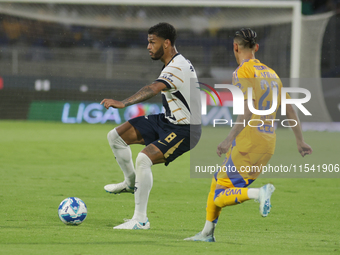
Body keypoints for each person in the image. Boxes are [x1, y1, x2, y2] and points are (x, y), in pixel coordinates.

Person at [184, 28, 313, 242]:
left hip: (248, 142)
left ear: (235, 47)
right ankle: (207, 233)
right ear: (256, 48)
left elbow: (248, 108)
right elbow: (290, 108)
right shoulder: (272, 73)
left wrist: (228, 139)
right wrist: (300, 140)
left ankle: (258, 194)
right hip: (267, 144)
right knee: (218, 182)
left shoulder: (242, 72)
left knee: (219, 195)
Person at [101, 22, 201, 230]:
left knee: (144, 158)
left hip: (186, 129)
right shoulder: (172, 62)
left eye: (152, 42)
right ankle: (130, 183)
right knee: (116, 136)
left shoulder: (178, 66)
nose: (148, 46)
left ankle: (140, 220)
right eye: (148, 42)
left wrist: (124, 103)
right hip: (168, 120)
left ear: (166, 43)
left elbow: (153, 88)